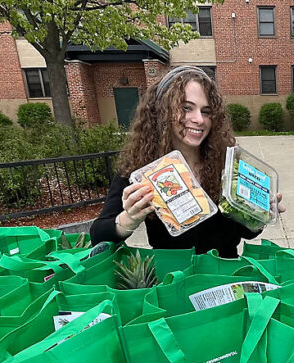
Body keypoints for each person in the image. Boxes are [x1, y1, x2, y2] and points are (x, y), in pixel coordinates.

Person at [90, 66, 283, 257]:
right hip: (173, 280)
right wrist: (128, 220)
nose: (199, 119)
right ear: (162, 110)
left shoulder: (227, 164)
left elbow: (247, 232)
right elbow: (98, 234)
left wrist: (259, 213)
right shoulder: (141, 168)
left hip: (225, 275)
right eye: (186, 108)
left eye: (206, 111)